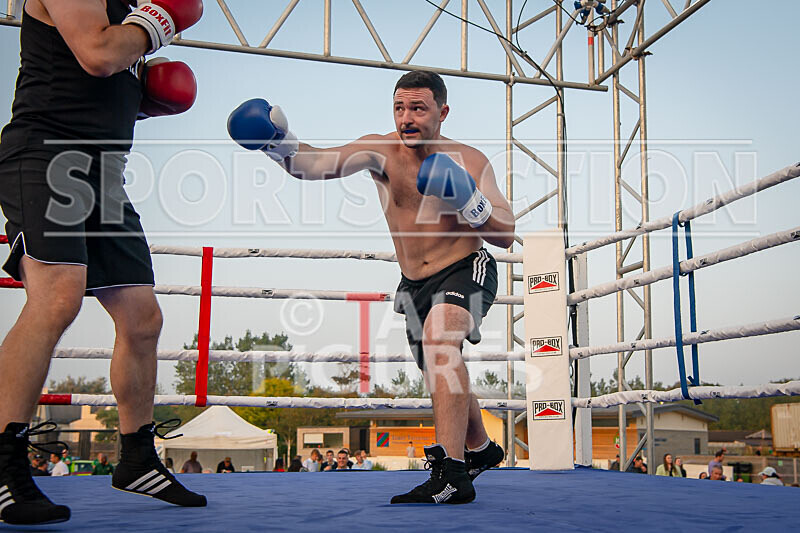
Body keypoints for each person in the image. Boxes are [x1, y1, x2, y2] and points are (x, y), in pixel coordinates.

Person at [228, 70, 513, 505]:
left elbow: (507, 232)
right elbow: (315, 164)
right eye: (399, 107)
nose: (406, 118)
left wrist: (470, 201)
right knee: (440, 367)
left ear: (443, 112)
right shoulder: (381, 152)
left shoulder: (470, 161)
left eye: (418, 107)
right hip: (415, 283)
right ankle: (481, 449)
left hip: (465, 268)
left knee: (440, 344)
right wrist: (277, 144)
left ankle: (452, 474)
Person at [0, 0, 206, 524]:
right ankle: (2, 464)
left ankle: (136, 456)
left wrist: (144, 99)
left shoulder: (128, 7)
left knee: (142, 319)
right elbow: (97, 54)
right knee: (57, 299)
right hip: (47, 156)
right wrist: (158, 24)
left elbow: (96, 78)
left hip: (103, 173)